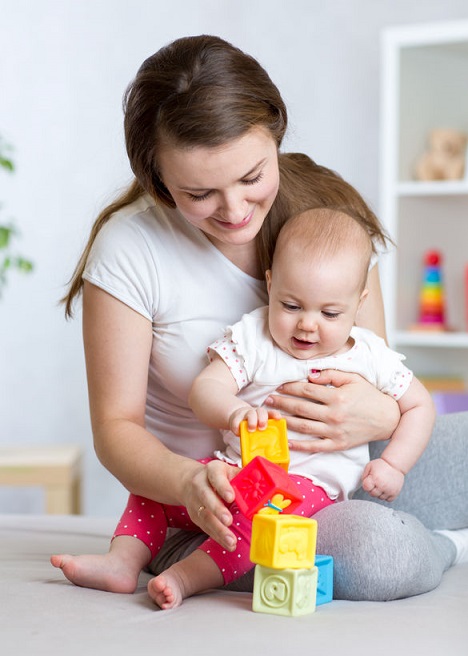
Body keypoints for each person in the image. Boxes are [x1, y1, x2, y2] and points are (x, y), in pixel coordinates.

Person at [50, 34, 468, 603]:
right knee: (379, 552)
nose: (235, 210)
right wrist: (190, 483)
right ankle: (446, 543)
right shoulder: (131, 250)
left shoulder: (326, 219)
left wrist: (383, 417)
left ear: (275, 132)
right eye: (200, 193)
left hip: (353, 469)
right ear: (157, 179)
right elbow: (116, 429)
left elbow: (376, 368)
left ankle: (410, 520)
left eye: (252, 177)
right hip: (217, 507)